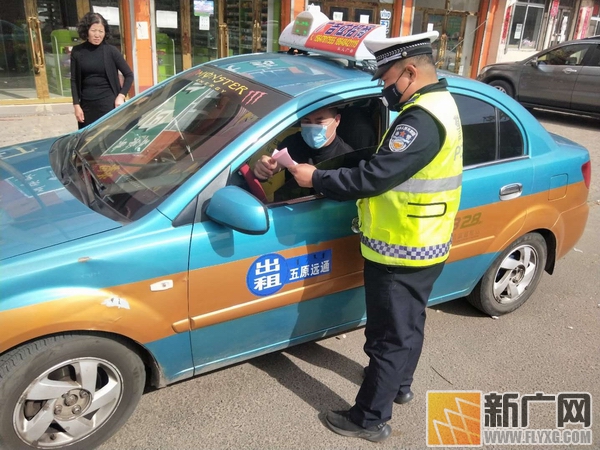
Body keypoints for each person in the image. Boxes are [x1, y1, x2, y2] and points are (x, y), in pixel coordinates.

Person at [289, 31, 463, 442]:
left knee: (388, 337)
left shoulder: (422, 118)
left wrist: (316, 176)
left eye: (385, 79)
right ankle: (398, 385)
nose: (384, 89)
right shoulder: (439, 103)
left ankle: (368, 418)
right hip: (424, 240)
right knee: (407, 326)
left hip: (402, 247)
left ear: (409, 71)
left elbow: (376, 177)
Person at [252, 106, 354, 181]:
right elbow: (275, 164)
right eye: (307, 121)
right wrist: (264, 167)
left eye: (319, 122)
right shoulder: (293, 142)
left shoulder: (347, 156)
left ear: (337, 120)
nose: (312, 127)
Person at [71, 12, 134, 129]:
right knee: (88, 142)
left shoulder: (111, 51)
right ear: (86, 31)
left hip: (108, 104)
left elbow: (129, 75)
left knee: (109, 139)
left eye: (101, 31)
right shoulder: (77, 51)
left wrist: (121, 96)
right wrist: (76, 105)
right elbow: (74, 80)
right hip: (86, 105)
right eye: (93, 30)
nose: (97, 35)